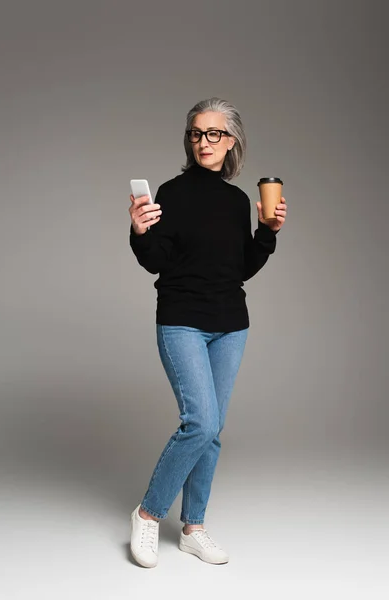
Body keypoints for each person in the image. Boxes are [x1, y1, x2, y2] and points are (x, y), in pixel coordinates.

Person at [128, 97, 287, 567]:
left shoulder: (238, 201)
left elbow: (238, 268)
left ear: (231, 141)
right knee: (199, 422)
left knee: (213, 431)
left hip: (230, 325)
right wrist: (139, 232)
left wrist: (267, 231)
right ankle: (149, 513)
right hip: (181, 320)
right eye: (197, 133)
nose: (204, 141)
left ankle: (194, 527)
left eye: (214, 133)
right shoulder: (172, 193)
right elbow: (156, 260)